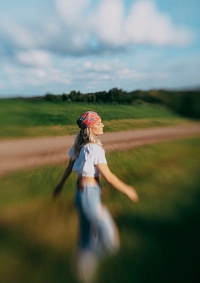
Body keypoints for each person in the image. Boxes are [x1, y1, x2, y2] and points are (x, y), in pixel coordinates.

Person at [52, 111, 139, 282]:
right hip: (89, 197)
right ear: (90, 127)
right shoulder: (94, 148)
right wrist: (128, 189)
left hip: (81, 195)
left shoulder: (80, 145)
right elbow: (109, 177)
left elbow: (69, 168)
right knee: (111, 243)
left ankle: (83, 274)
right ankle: (85, 263)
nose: (103, 125)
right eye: (99, 123)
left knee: (85, 238)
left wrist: (59, 186)